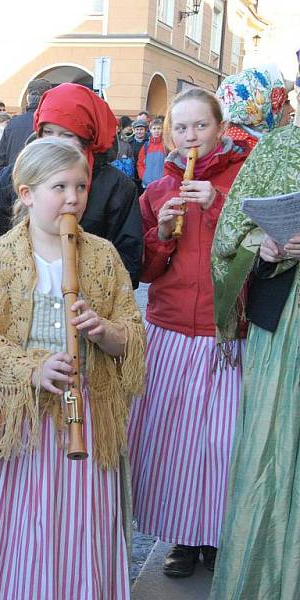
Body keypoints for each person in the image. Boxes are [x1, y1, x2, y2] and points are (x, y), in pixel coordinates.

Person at [0, 137, 145, 600]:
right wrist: (34, 367)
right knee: (21, 526)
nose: (74, 198)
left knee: (78, 524)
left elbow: (131, 330)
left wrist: (102, 331)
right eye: (60, 187)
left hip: (84, 417)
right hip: (19, 426)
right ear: (26, 194)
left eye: (81, 186)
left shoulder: (103, 256)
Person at [127, 87, 250, 578]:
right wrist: (159, 233)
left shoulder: (242, 182)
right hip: (172, 330)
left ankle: (218, 536)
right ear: (168, 134)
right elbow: (148, 271)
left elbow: (257, 250)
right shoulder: (157, 191)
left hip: (227, 331)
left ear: (219, 128)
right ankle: (179, 538)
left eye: (201, 126)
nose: (191, 136)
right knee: (173, 441)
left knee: (221, 444)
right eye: (181, 127)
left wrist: (218, 204)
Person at [209, 68, 299, 600]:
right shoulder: (276, 150)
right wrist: (261, 248)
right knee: (271, 449)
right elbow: (231, 236)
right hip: (284, 326)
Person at [33, 83, 142, 286]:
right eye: (48, 132)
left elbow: (129, 263)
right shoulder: (16, 177)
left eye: (67, 135)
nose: (55, 142)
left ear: (86, 139)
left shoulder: (117, 187)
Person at [216, 64, 288, 152]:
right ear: (262, 107)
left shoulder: (236, 143)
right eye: (286, 102)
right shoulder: (247, 151)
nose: (292, 109)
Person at [0, 78, 53, 172]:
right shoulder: (53, 124)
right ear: (48, 97)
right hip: (42, 180)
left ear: (27, 98)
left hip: (16, 180)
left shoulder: (12, 123)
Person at [137, 117, 166, 189]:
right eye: (154, 128)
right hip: (147, 185)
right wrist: (144, 177)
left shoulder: (166, 146)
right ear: (150, 130)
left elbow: (170, 165)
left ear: (162, 130)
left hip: (162, 185)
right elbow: (140, 163)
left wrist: (165, 179)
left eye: (159, 128)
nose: (156, 131)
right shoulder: (146, 146)